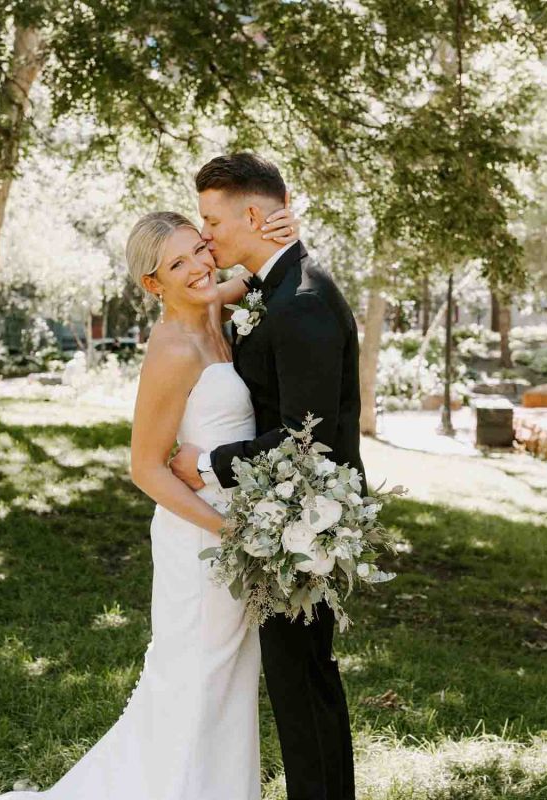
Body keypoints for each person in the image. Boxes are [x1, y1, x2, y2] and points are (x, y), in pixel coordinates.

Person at [0, 202, 301, 800]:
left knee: (226, 683)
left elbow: (262, 271)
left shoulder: (216, 305)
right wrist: (227, 531)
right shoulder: (172, 347)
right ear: (151, 283)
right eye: (177, 263)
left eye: (199, 249)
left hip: (232, 533)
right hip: (200, 542)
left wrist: (282, 233)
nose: (197, 266)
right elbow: (144, 468)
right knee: (189, 685)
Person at [170, 152, 364, 800]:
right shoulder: (275, 286)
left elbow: (308, 438)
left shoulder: (301, 300)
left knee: (299, 686)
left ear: (253, 214)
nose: (204, 238)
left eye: (211, 221)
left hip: (304, 521)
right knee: (306, 683)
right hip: (286, 516)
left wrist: (203, 465)